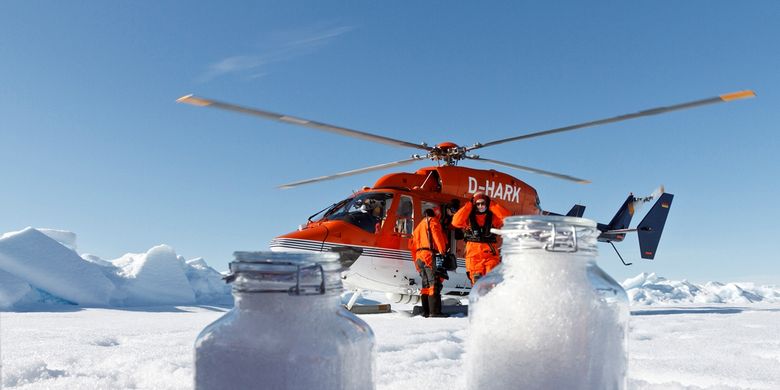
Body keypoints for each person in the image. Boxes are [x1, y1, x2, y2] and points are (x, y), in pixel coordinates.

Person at [451, 192, 511, 284]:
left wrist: (492, 204)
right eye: (477, 204)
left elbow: (507, 217)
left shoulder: (494, 218)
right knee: (477, 285)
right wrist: (469, 204)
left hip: (490, 256)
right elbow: (455, 222)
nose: (480, 206)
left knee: (492, 284)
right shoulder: (467, 219)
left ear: (487, 203)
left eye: (483, 203)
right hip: (473, 257)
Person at [408, 208, 449, 317]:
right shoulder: (432, 221)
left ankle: (425, 311)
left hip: (419, 258)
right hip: (429, 256)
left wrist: (416, 263)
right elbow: (437, 236)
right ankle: (434, 312)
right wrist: (442, 251)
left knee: (425, 286)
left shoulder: (417, 228)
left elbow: (412, 247)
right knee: (434, 284)